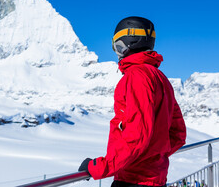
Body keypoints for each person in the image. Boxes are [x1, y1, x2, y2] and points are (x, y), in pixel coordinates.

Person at [78, 16, 186, 187]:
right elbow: (178, 134)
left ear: (129, 43)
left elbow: (137, 135)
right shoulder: (161, 79)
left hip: (133, 179)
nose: (118, 54)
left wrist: (101, 167)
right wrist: (154, 156)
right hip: (155, 179)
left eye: (118, 47)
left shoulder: (136, 77)